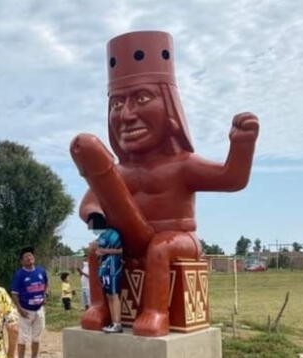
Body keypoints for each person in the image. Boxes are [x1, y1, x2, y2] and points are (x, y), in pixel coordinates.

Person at [70, 31, 258, 336]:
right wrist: (99, 217)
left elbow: (232, 179)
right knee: (95, 251)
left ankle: (156, 312)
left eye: (142, 99)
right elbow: (89, 203)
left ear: (171, 108)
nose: (127, 115)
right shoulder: (119, 171)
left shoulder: (183, 164)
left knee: (160, 247)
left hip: (181, 241)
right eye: (117, 104)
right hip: (130, 243)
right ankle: (100, 307)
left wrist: (242, 146)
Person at [11, 247, 48, 358]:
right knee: (22, 339)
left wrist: (45, 294)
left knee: (36, 338)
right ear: (21, 261)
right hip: (25, 311)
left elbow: (46, 284)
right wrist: (19, 308)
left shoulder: (41, 271)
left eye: (30, 255)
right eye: (26, 256)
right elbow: (14, 293)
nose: (29, 258)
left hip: (39, 310)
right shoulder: (19, 275)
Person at [90, 228, 124, 333]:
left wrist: (105, 251)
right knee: (109, 296)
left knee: (114, 295)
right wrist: (95, 249)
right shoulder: (101, 236)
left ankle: (117, 324)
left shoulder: (114, 233)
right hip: (104, 266)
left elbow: (120, 250)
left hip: (113, 265)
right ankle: (113, 322)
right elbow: (96, 249)